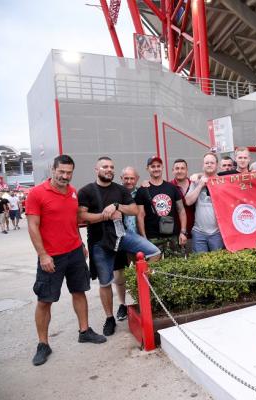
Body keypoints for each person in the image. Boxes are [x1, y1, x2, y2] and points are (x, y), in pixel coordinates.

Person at [26, 155, 106, 366]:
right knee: (45, 300)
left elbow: (72, 221)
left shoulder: (72, 192)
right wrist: (43, 255)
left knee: (79, 291)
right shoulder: (36, 193)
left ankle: (84, 331)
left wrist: (80, 244)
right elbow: (33, 226)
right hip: (51, 256)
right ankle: (43, 344)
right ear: (52, 170)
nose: (65, 176)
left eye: (69, 172)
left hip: (75, 252)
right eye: (61, 171)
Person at [78, 157, 161, 337]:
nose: (109, 169)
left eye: (111, 167)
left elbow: (134, 210)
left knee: (154, 252)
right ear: (96, 169)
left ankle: (141, 286)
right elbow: (81, 216)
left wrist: (117, 206)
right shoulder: (86, 191)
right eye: (105, 166)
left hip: (122, 235)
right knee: (105, 282)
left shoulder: (120, 189)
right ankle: (109, 318)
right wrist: (105, 215)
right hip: (100, 241)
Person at [135, 156, 188, 258]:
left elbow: (181, 210)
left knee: (177, 265)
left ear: (162, 167)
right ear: (147, 168)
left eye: (158, 166)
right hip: (152, 237)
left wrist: (183, 232)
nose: (156, 169)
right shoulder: (142, 190)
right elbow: (140, 215)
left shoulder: (172, 188)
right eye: (153, 166)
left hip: (173, 236)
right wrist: (143, 237)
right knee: (153, 267)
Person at [111, 166, 140, 321]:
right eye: (126, 178)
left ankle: (140, 301)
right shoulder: (115, 193)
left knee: (139, 272)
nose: (129, 181)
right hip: (119, 239)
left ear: (137, 179)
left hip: (137, 238)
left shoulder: (141, 192)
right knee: (119, 275)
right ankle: (122, 304)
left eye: (132, 178)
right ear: (121, 178)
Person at [184, 153, 224, 253]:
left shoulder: (223, 182)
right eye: (207, 163)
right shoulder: (196, 181)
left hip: (218, 232)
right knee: (199, 261)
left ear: (217, 165)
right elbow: (188, 201)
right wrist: (200, 185)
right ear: (203, 165)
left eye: (212, 163)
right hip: (199, 232)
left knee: (218, 261)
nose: (209, 165)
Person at [169, 159, 195, 255]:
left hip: (195, 233)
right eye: (177, 168)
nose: (179, 171)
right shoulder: (169, 187)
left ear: (187, 170)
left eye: (182, 168)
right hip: (175, 234)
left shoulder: (194, 184)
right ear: (173, 170)